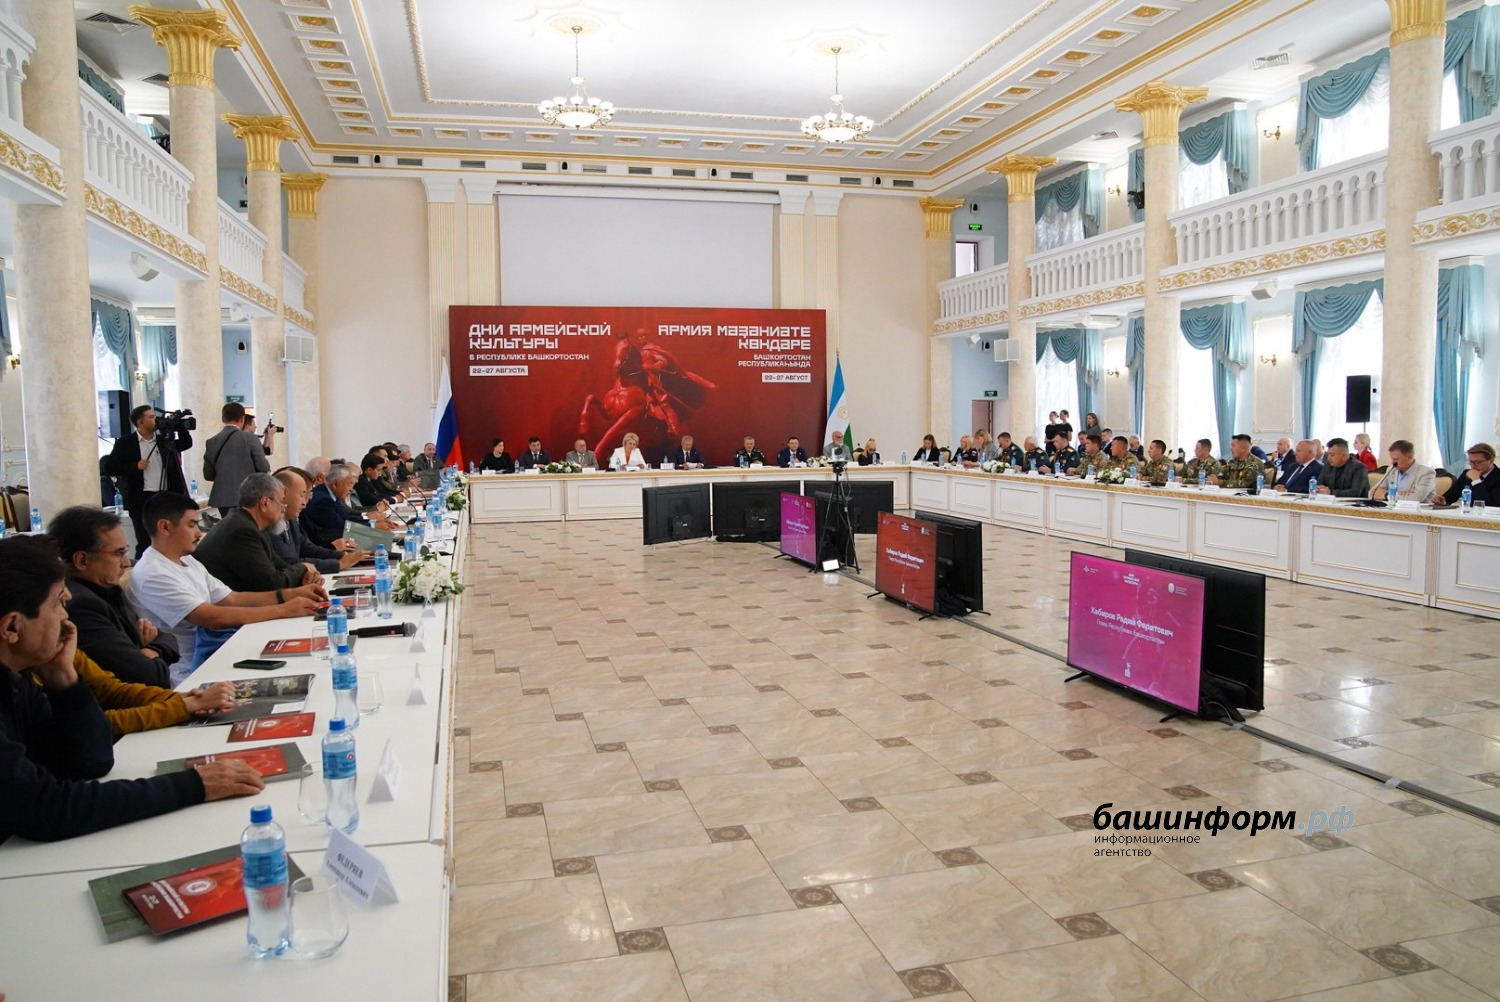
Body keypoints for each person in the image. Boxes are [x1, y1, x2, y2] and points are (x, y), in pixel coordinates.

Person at [0, 536, 265, 843]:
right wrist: (193, 785)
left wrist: (64, 681)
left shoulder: (24, 676)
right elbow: (48, 809)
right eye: (58, 602)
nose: (66, 615)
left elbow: (91, 762)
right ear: (12, 627)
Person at [130, 493, 322, 678]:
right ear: (165, 527)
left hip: (220, 650)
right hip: (192, 670)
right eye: (191, 524)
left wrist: (292, 594)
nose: (198, 533)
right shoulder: (153, 573)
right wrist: (283, 609)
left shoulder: (187, 560)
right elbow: (211, 617)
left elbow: (232, 598)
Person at [52, 506, 180, 689]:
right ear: (82, 560)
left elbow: (168, 638)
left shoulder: (107, 590)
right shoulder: (82, 607)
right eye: (118, 554)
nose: (126, 563)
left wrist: (152, 649)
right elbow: (149, 676)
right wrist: (143, 651)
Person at [192, 473, 325, 596]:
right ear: (265, 503)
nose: (283, 509)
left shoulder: (251, 524)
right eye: (281, 503)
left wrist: (306, 574)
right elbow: (272, 583)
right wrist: (303, 568)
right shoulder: (241, 531)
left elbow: (279, 566)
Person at [105, 405, 193, 558]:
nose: (155, 420)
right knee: (145, 539)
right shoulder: (126, 443)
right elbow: (109, 467)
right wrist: (134, 466)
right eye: (151, 417)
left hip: (165, 496)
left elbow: (186, 443)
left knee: (170, 536)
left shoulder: (162, 440)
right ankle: (143, 568)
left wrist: (179, 426)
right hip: (141, 499)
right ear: (140, 422)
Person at [270, 469, 365, 574]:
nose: (305, 502)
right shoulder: (270, 526)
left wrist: (341, 555)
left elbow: (306, 548)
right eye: (302, 495)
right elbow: (290, 562)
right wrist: (338, 564)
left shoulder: (291, 520)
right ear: (283, 495)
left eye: (308, 495)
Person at [202, 402, 271, 516]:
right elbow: (264, 468)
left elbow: (208, 474)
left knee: (229, 526)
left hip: (222, 498)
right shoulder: (251, 439)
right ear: (242, 419)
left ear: (223, 418)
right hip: (248, 496)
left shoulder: (212, 441)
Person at [303, 462, 399, 545]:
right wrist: (373, 526)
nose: (351, 489)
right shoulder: (322, 500)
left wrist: (373, 522)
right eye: (349, 484)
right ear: (335, 484)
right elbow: (342, 526)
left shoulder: (328, 493)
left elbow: (346, 517)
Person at [1433, 442, 1500, 507]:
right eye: (1471, 462)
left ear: (1491, 460)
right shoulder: (1466, 474)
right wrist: (1443, 500)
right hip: (1468, 513)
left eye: (1478, 462)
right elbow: (1450, 496)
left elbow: (1491, 504)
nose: (1473, 466)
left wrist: (1476, 480)